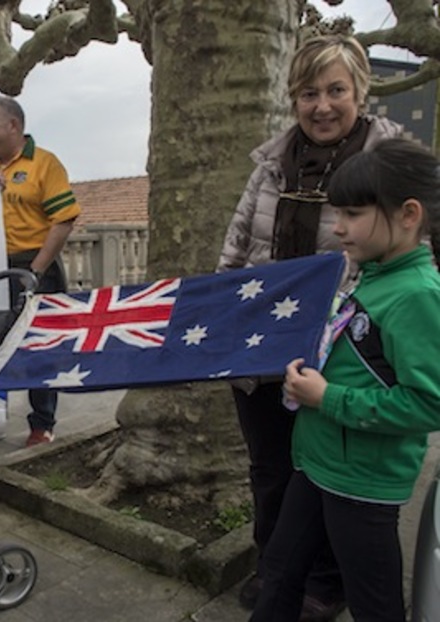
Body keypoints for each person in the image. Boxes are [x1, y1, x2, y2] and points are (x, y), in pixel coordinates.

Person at [217, 34, 404, 620]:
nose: (322, 105)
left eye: (335, 90)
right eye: (307, 92)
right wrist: (223, 316)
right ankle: (277, 567)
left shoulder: (392, 162)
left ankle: (326, 583)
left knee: (328, 474)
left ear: (361, 91)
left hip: (343, 354)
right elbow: (238, 243)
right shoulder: (271, 164)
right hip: (262, 350)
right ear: (292, 98)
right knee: (272, 469)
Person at [251, 138, 440, 621]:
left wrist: (327, 397)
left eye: (353, 214)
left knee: (373, 603)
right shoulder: (374, 274)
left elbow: (427, 405)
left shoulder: (418, 295)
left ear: (408, 214)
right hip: (317, 466)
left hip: (363, 485)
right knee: (278, 572)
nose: (338, 228)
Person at [0, 95, 81, 448]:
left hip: (36, 267)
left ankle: (42, 423)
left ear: (13, 126)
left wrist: (36, 270)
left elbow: (64, 219)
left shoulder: (45, 164)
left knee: (41, 348)